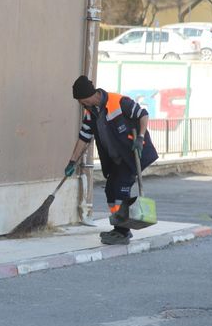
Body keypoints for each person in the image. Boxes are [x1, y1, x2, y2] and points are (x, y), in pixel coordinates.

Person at [64, 75, 158, 244]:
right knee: (110, 190)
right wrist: (72, 161)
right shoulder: (91, 113)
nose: (80, 104)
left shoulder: (119, 102)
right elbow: (84, 137)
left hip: (133, 154)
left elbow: (143, 114)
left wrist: (141, 138)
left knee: (120, 189)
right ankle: (120, 227)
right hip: (115, 159)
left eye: (80, 100)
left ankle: (122, 232)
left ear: (88, 96)